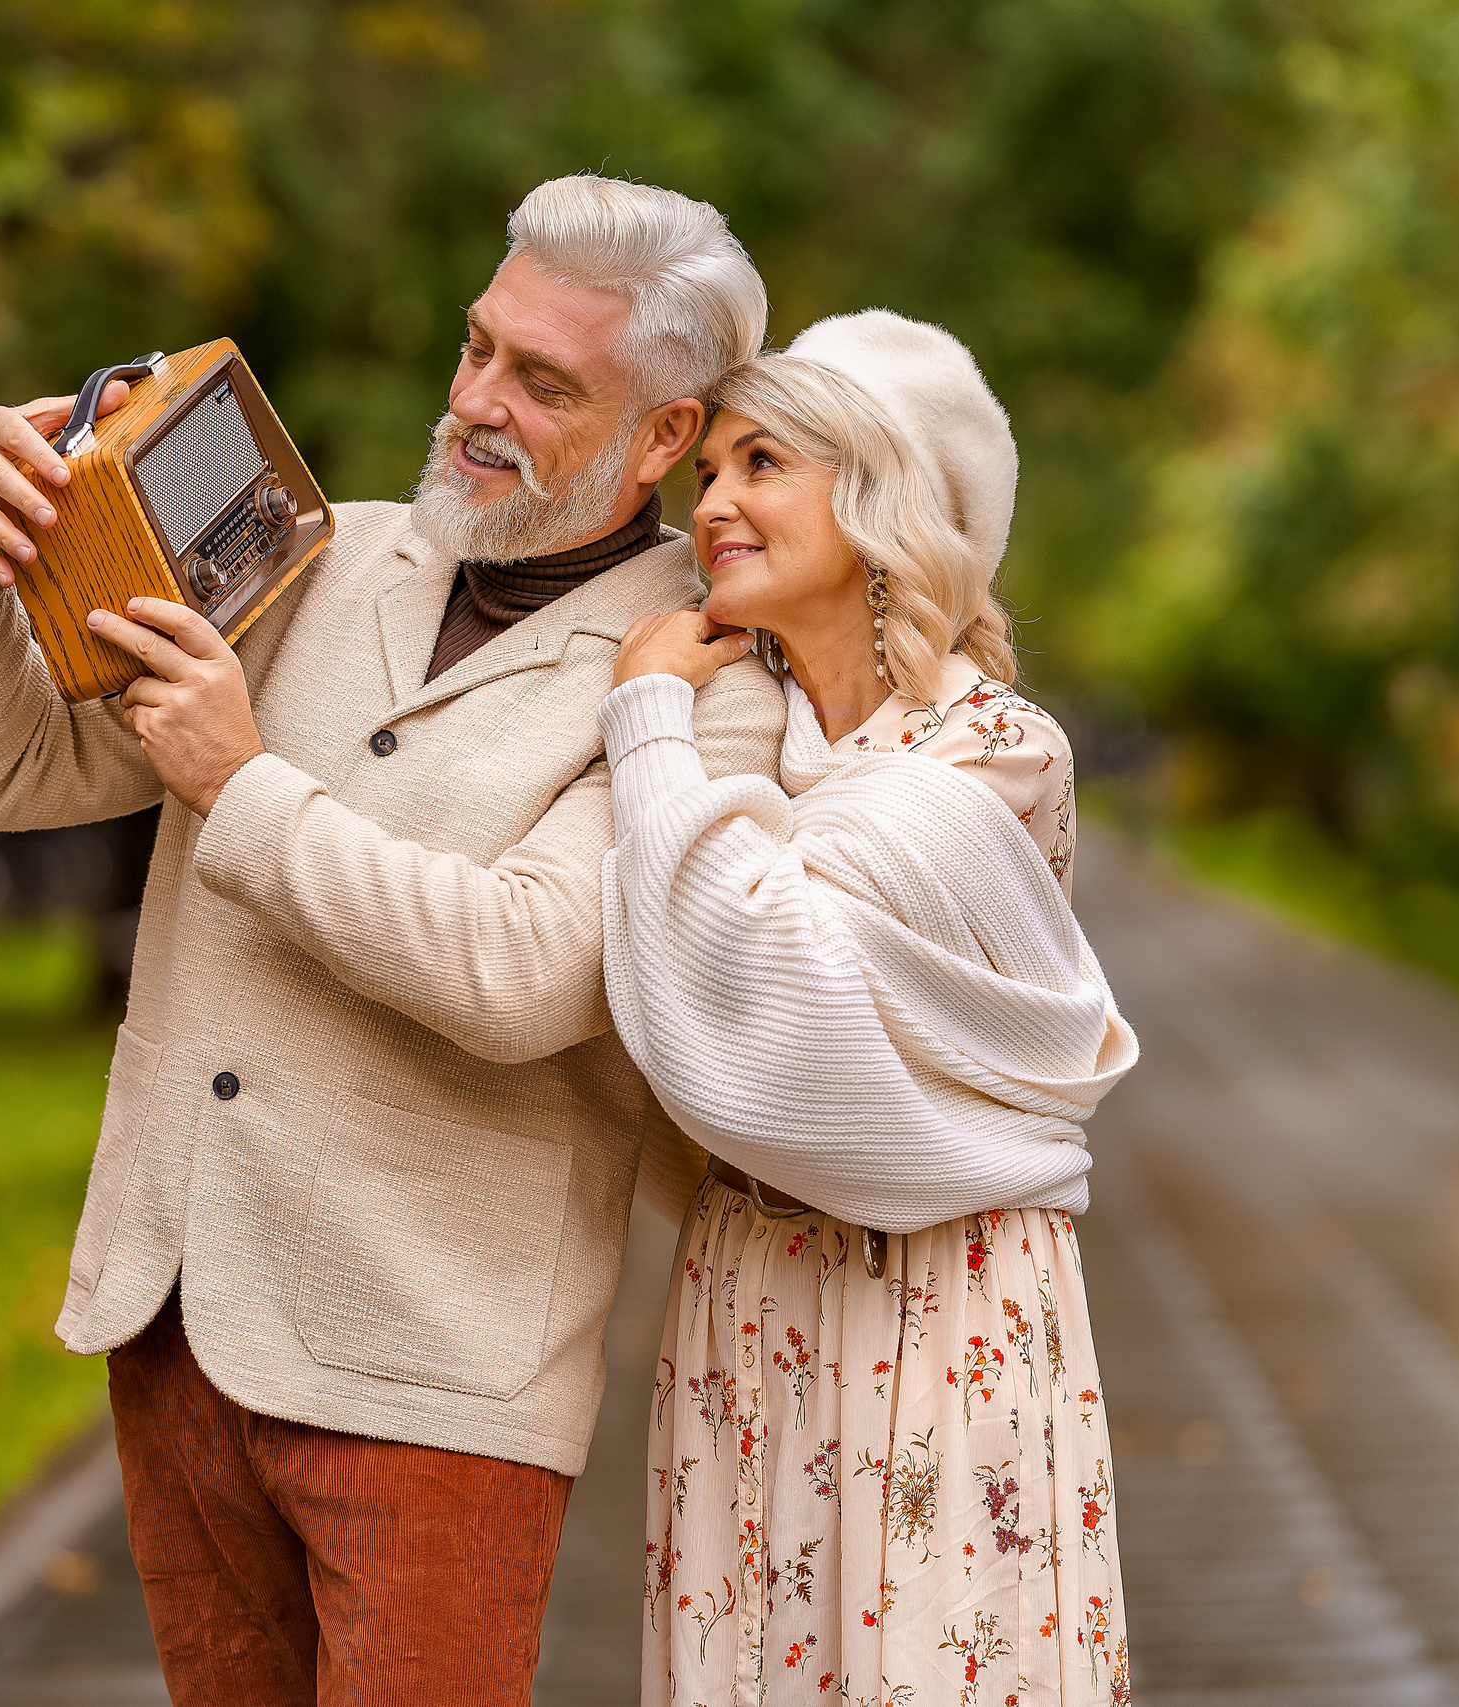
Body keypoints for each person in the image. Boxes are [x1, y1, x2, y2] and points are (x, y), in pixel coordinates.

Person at [0, 175, 786, 1705]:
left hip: (435, 1374)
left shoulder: (710, 683)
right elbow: (0, 771)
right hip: (175, 1327)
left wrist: (239, 783)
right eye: (479, 347)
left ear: (666, 436)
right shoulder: (309, 550)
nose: (478, 401)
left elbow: (524, 973)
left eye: (544, 381)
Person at [599, 310, 1141, 1705]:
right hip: (754, 1286)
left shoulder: (994, 754)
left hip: (943, 1291)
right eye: (707, 472)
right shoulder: (742, 723)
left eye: (762, 462)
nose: (712, 505)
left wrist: (645, 725)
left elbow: (764, 978)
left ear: (878, 495)